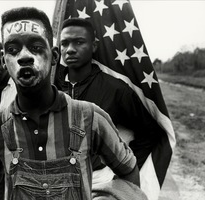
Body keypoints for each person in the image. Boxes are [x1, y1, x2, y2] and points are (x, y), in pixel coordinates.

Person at [0, 7, 140, 200]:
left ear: (54, 56)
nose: (25, 56)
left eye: (36, 47)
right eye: (13, 50)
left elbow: (128, 170)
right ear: (4, 60)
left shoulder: (90, 117)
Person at [55, 18, 165, 185]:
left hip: (97, 180)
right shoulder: (50, 87)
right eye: (65, 43)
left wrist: (123, 172)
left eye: (79, 42)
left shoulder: (116, 90)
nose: (70, 49)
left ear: (94, 45)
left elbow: (149, 133)